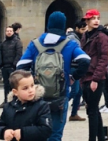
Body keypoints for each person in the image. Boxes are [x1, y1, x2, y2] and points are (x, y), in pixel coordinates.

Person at [16, 11, 91, 141]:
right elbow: (85, 60)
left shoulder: (35, 44)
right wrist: (73, 77)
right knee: (55, 134)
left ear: (48, 25)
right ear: (63, 26)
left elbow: (20, 66)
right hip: (60, 95)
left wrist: (32, 80)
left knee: (37, 132)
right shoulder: (69, 44)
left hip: (37, 96)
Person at [0, 70, 52, 141]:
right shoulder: (8, 107)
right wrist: (4, 132)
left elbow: (46, 129)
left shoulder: (42, 106)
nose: (31, 90)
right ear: (15, 92)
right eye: (25, 88)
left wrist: (23, 133)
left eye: (32, 85)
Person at [80, 9, 108, 141]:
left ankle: (92, 138)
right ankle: (101, 138)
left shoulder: (102, 36)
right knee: (93, 110)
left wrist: (96, 79)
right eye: (93, 18)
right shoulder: (86, 35)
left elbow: (103, 59)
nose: (96, 20)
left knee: (92, 111)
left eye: (98, 18)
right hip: (86, 76)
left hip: (95, 77)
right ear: (87, 21)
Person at [0, 24, 23, 107]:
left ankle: (14, 101)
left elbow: (19, 54)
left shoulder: (17, 42)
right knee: (6, 85)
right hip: (5, 67)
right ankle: (6, 101)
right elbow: (0, 54)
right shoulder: (3, 43)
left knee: (13, 85)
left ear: (13, 32)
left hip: (12, 67)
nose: (9, 32)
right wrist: (0, 64)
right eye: (7, 31)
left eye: (10, 31)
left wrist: (14, 64)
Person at [68, 20, 88, 122]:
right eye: (82, 29)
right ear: (77, 28)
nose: (84, 31)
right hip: (73, 66)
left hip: (78, 66)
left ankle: (74, 113)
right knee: (74, 91)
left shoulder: (81, 37)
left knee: (79, 92)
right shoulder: (72, 38)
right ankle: (57, 106)